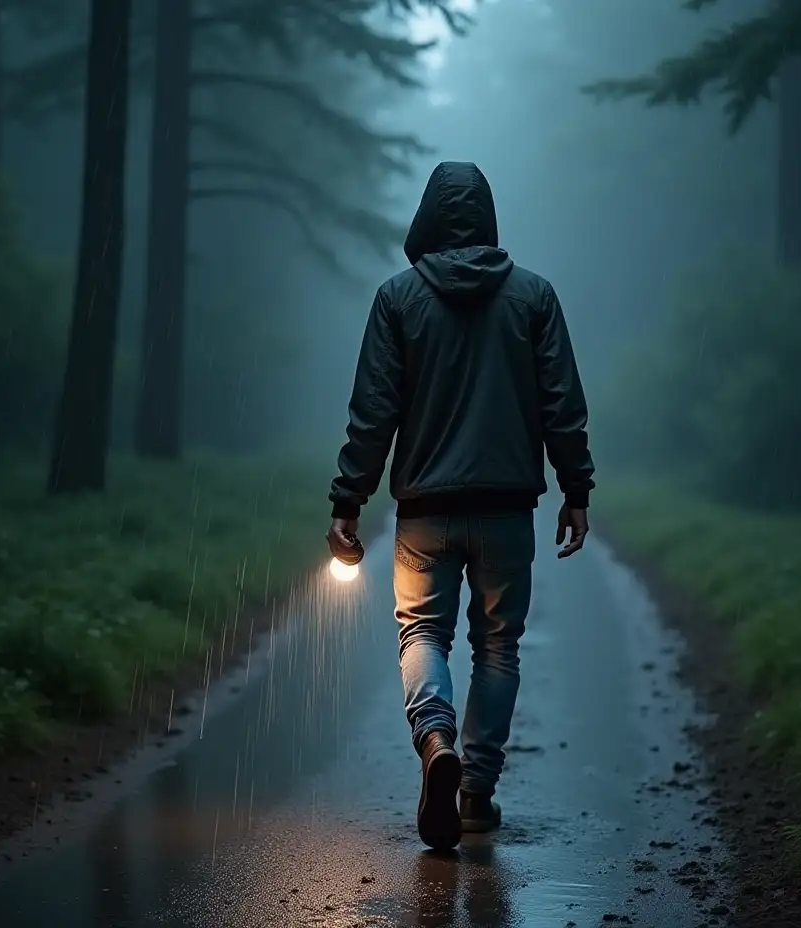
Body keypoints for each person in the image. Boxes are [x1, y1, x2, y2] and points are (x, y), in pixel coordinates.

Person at [326, 161, 595, 851]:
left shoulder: (397, 299)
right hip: (507, 507)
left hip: (425, 512)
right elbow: (561, 402)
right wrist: (576, 488)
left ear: (427, 219)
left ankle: (436, 740)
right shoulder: (534, 298)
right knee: (499, 645)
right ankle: (475, 792)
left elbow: (374, 408)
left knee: (424, 634)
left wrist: (349, 498)